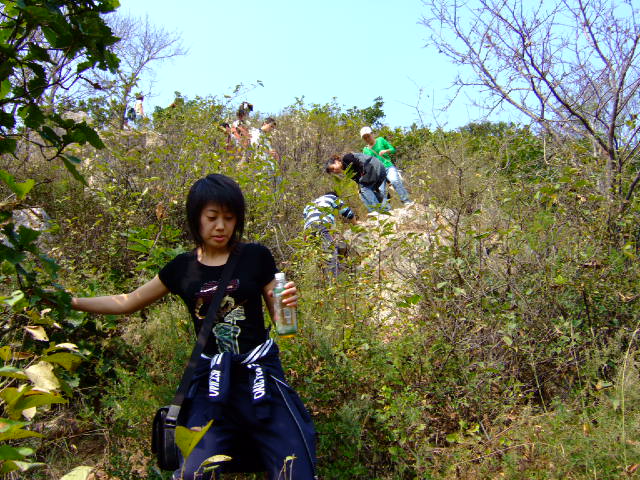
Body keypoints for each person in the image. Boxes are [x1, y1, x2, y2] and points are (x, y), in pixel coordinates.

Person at [71, 174, 317, 480]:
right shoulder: (182, 268)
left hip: (259, 376)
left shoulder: (256, 257)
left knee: (295, 466)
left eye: (229, 218)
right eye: (212, 217)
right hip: (210, 381)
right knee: (195, 471)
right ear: (196, 217)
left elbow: (283, 323)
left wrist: (287, 305)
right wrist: (72, 302)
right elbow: (127, 302)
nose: (221, 226)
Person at [303, 192, 356, 277]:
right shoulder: (332, 197)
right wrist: (355, 225)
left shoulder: (309, 205)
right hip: (321, 225)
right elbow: (348, 212)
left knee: (319, 259)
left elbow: (307, 221)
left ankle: (324, 280)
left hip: (308, 231)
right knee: (331, 256)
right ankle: (336, 281)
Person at [360, 126, 411, 205]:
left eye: (368, 136)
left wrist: (385, 151)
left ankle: (406, 201)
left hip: (388, 166)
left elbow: (393, 149)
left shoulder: (380, 140)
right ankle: (386, 209)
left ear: (372, 134)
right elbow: (367, 163)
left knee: (395, 181)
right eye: (365, 138)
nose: (367, 139)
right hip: (378, 172)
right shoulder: (365, 150)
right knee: (381, 191)